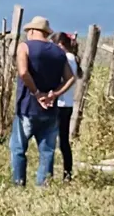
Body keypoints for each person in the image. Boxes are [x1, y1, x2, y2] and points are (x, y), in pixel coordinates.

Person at [10, 16, 75, 187]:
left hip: (27, 107)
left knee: (18, 149)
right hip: (50, 110)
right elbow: (70, 78)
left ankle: (19, 184)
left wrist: (37, 93)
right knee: (47, 151)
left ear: (31, 31)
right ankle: (44, 187)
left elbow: (23, 72)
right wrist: (54, 94)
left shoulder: (24, 47)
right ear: (46, 33)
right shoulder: (59, 52)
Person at [50, 31, 82, 181]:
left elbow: (66, 80)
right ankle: (67, 173)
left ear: (61, 45)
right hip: (66, 103)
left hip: (61, 103)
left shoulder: (66, 59)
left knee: (59, 140)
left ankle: (66, 173)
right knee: (63, 141)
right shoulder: (71, 58)